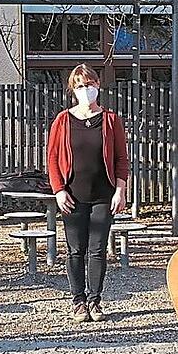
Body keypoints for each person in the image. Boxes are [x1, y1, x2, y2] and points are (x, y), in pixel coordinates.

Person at [47, 64, 129, 323]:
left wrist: (120, 190)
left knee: (97, 250)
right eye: (80, 85)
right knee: (75, 250)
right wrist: (59, 190)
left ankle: (95, 301)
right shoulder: (62, 120)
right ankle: (78, 302)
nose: (86, 90)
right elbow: (52, 158)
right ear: (73, 89)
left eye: (90, 84)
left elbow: (121, 159)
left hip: (103, 195)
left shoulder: (111, 120)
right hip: (73, 195)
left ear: (98, 86)